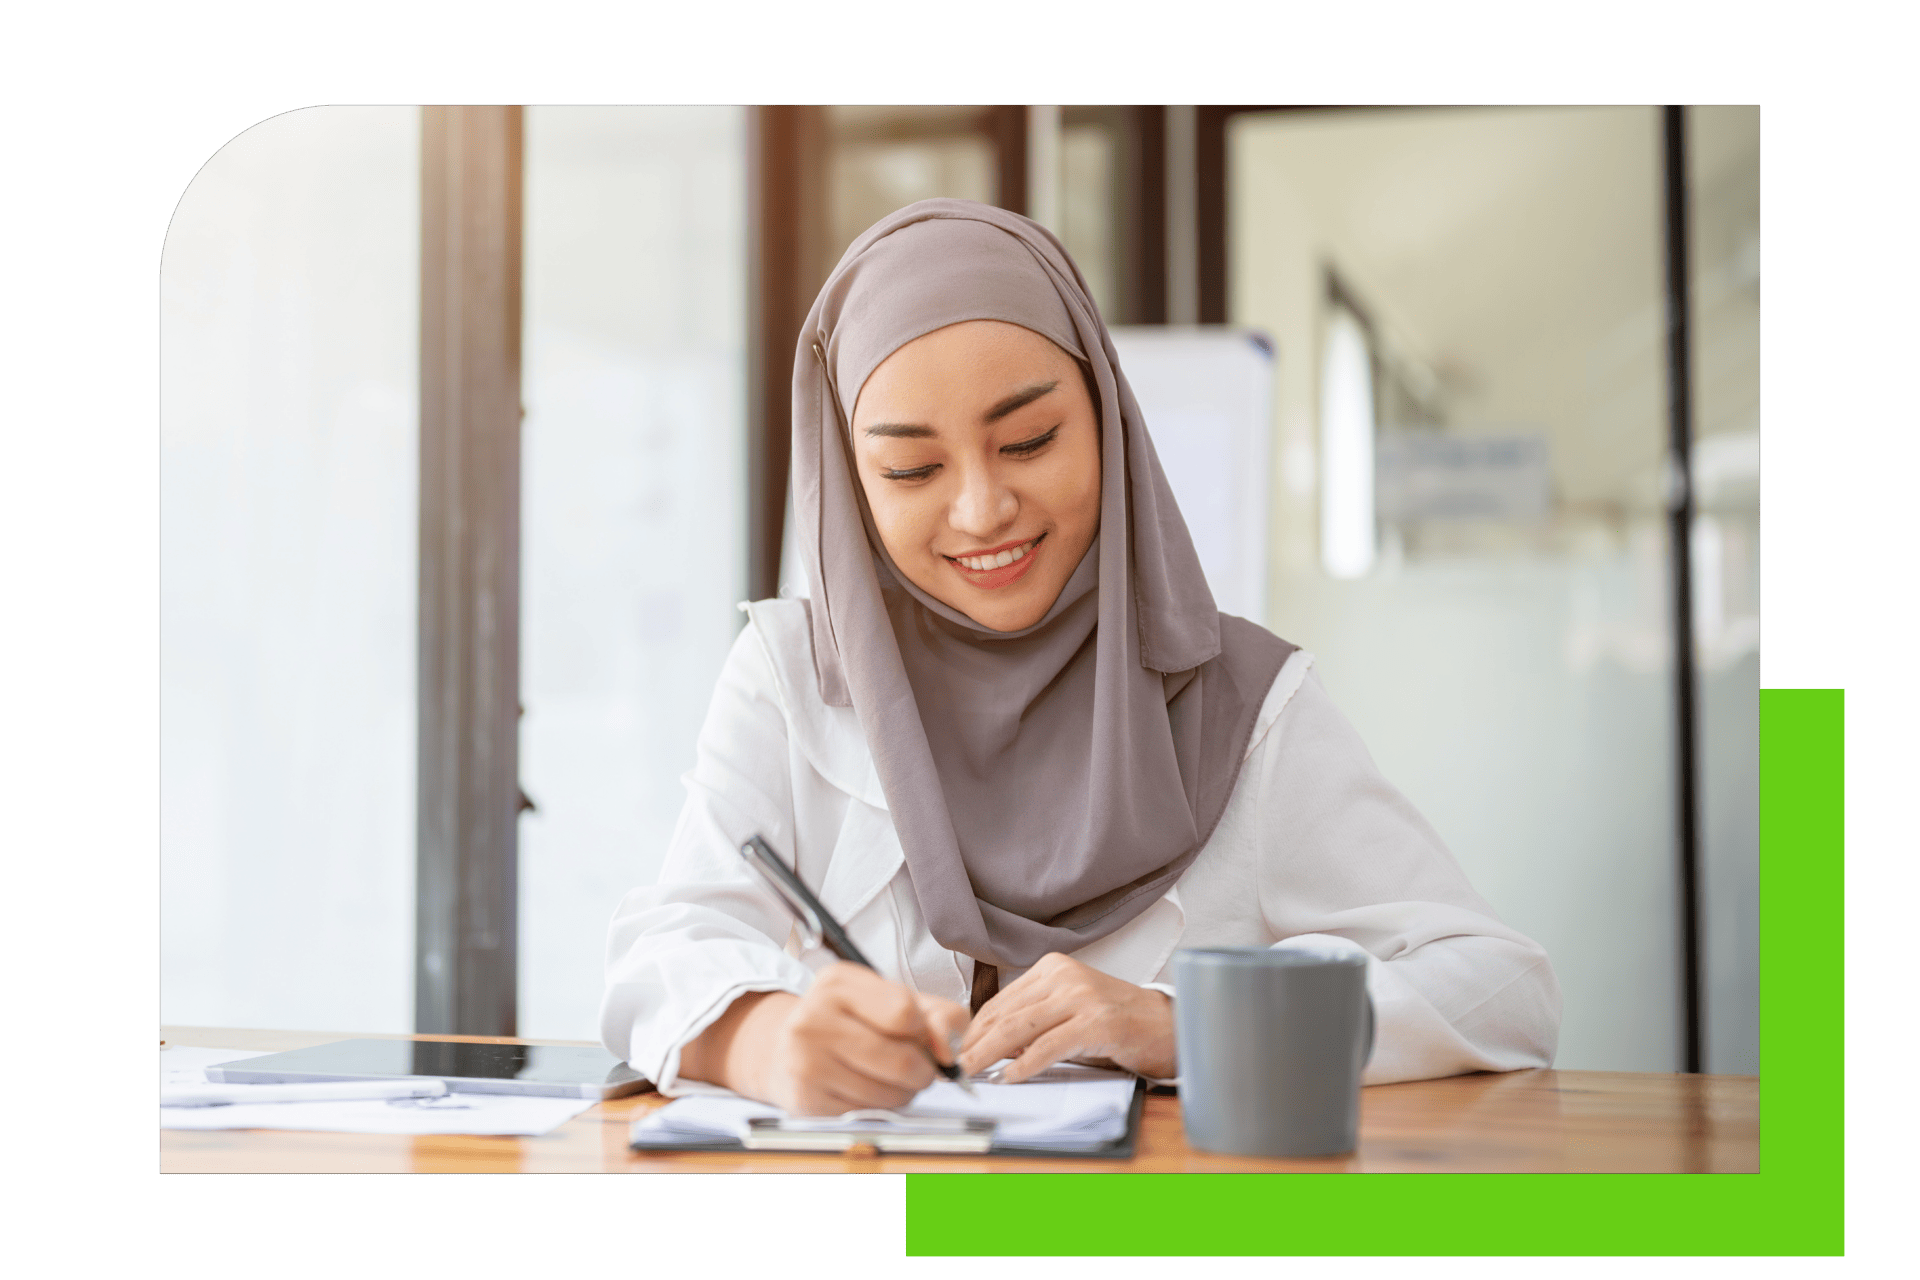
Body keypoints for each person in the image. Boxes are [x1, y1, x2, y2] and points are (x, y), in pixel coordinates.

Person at [601, 199, 1559, 1116]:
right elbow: (664, 950)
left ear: (1108, 418)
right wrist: (764, 1038)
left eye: (1028, 440)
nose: (981, 510)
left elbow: (1503, 992)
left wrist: (1186, 1026)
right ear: (851, 485)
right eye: (911, 470)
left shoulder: (1245, 703)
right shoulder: (791, 677)